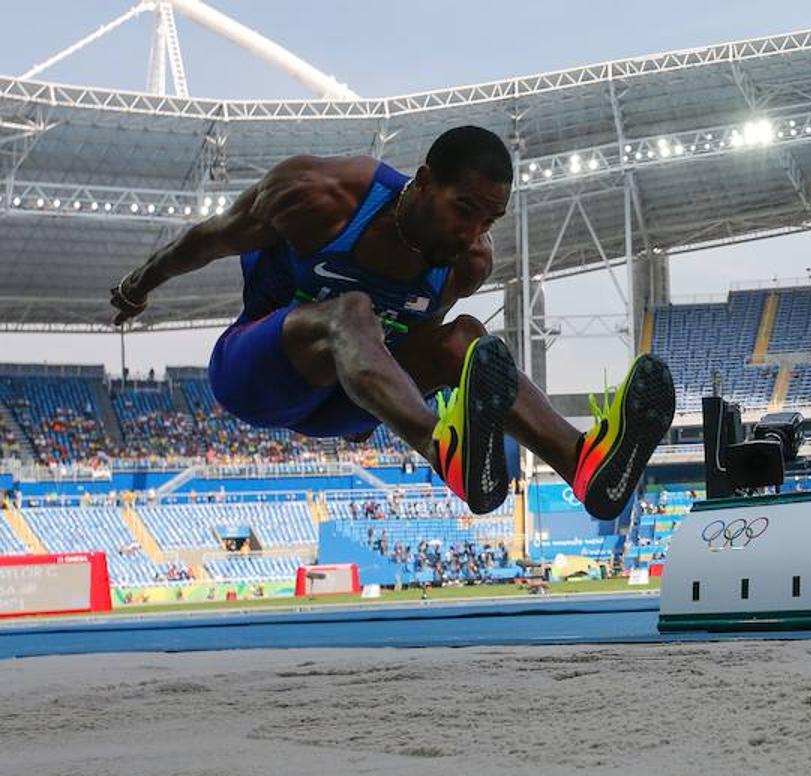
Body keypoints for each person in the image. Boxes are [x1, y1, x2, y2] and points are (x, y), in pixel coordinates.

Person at [111, 126, 673, 519]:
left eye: (489, 219)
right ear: (423, 182)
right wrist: (140, 284)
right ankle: (440, 448)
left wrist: (449, 370)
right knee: (352, 310)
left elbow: (414, 350)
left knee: (468, 341)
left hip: (346, 406)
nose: (472, 234)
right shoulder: (319, 197)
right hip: (255, 374)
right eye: (463, 209)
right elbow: (205, 240)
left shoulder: (468, 263)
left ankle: (583, 466)